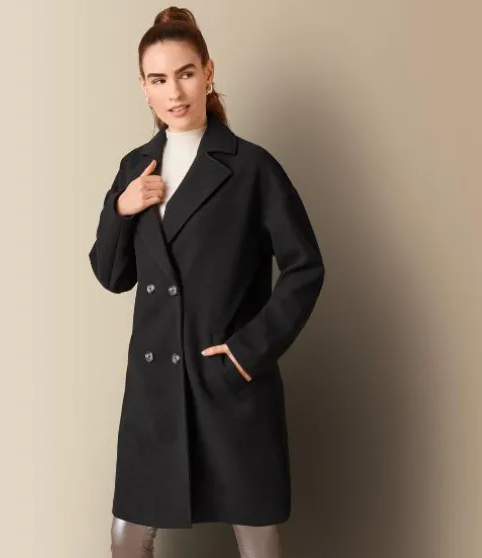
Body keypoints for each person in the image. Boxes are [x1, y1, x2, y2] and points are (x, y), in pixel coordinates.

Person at [88, 7, 325, 558]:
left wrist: (246, 352)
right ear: (143, 87)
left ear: (208, 72)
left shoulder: (252, 167)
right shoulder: (135, 168)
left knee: (257, 535)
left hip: (225, 380)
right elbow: (112, 275)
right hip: (155, 391)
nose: (174, 92)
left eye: (186, 73)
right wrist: (121, 210)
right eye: (158, 79)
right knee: (128, 536)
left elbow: (306, 267)